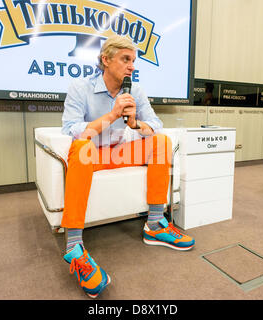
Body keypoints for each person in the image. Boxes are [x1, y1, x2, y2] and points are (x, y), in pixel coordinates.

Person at [61, 35, 195, 298]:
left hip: (121, 152)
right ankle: (74, 247)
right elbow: (72, 130)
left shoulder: (137, 91)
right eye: (125, 59)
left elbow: (155, 124)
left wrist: (136, 125)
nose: (131, 65)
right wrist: (112, 115)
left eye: (133, 60)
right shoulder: (80, 87)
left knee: (160, 141)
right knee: (81, 146)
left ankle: (155, 225)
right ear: (105, 60)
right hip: (93, 155)